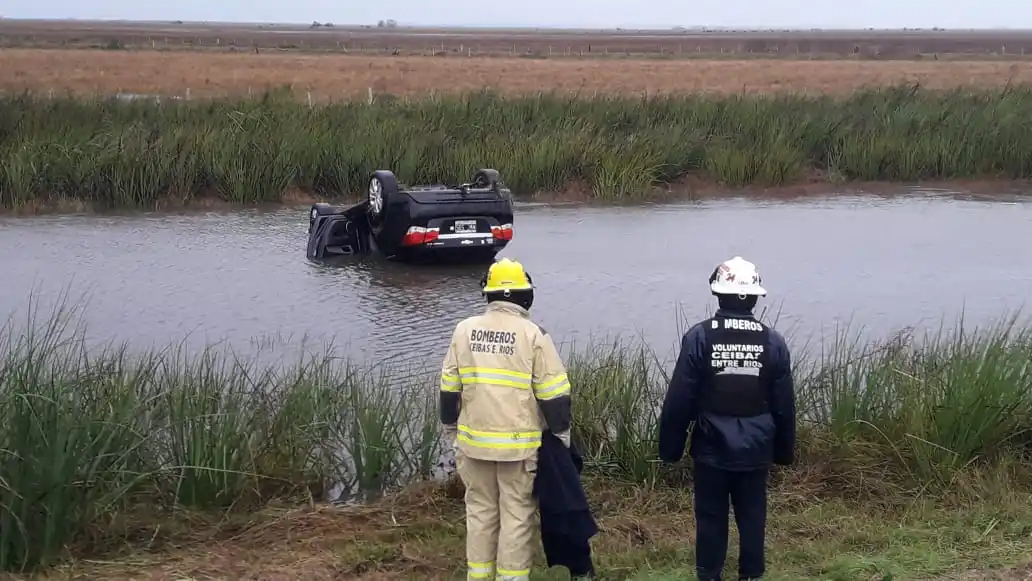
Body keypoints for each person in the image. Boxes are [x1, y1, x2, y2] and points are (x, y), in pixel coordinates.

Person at [657, 256, 797, 581]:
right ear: (754, 297)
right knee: (752, 515)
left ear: (718, 295)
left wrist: (670, 449)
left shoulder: (700, 336)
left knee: (710, 516)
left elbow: (680, 399)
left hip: (711, 448)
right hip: (756, 449)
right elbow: (784, 404)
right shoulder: (772, 340)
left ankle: (709, 574)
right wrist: (784, 451)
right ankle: (751, 574)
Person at [439, 257, 574, 581]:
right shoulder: (533, 334)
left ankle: (479, 576)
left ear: (490, 294)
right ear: (524, 295)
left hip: (473, 446)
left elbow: (448, 389)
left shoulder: (463, 330)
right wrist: (562, 435)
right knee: (516, 514)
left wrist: (449, 427)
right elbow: (554, 395)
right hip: (518, 448)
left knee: (481, 513)